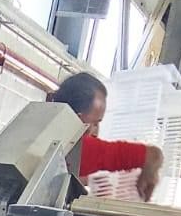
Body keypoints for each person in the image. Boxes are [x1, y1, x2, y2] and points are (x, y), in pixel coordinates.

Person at [49, 72, 164, 202]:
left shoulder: (42, 128)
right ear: (78, 119)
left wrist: (86, 180)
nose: (95, 132)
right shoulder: (81, 146)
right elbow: (153, 156)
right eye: (95, 123)